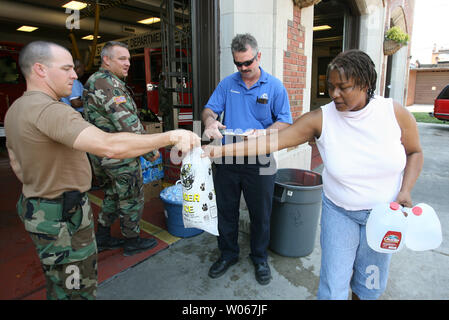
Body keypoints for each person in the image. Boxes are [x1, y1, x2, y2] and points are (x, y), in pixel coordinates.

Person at [204, 49, 423, 299]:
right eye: (331, 87)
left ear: (365, 83)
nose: (334, 94)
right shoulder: (321, 118)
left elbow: (415, 152)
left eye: (344, 87)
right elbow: (271, 142)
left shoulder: (394, 113)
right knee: (333, 286)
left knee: (369, 283)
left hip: (384, 215)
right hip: (341, 212)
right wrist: (219, 152)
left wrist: (405, 190)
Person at [4, 40, 199, 299]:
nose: (75, 75)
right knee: (76, 288)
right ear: (40, 69)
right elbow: (110, 144)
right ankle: (131, 240)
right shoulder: (52, 112)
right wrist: (169, 137)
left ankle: (105, 233)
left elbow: (16, 162)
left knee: (60, 283)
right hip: (63, 215)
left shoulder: (17, 108)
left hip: (40, 207)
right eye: (66, 69)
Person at [202, 33, 292, 285]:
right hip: (228, 156)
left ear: (258, 56)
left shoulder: (274, 86)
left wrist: (264, 132)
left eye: (247, 63)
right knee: (226, 210)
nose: (243, 69)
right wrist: (210, 122)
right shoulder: (227, 83)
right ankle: (228, 253)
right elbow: (209, 109)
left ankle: (260, 257)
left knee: (261, 213)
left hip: (261, 158)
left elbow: (285, 121)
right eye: (238, 64)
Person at [83, 41, 170, 256]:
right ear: (106, 60)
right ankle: (132, 240)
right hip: (119, 154)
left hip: (103, 154)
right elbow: (126, 122)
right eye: (122, 59)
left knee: (112, 194)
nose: (128, 63)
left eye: (129, 59)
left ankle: (102, 237)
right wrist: (150, 150)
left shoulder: (99, 80)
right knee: (131, 196)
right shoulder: (107, 84)